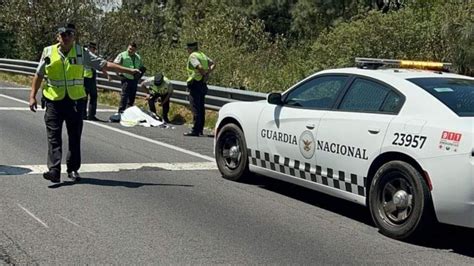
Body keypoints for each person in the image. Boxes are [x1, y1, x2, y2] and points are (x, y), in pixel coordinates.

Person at [28, 23, 140, 183]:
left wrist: (129, 71)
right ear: (57, 37)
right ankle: (54, 170)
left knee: (74, 136)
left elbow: (104, 64)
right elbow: (39, 74)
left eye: (69, 34)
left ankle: (73, 169)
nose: (66, 37)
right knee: (53, 136)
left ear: (74, 37)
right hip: (54, 101)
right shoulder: (48, 51)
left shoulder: (82, 52)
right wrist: (32, 96)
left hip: (75, 101)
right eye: (63, 35)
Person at [184, 41, 215, 137]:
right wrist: (207, 73)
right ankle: (200, 129)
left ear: (191, 48)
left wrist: (204, 73)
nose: (187, 50)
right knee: (201, 107)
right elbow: (213, 64)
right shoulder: (202, 55)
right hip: (202, 84)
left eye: (188, 48)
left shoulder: (193, 56)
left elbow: (199, 67)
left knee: (195, 107)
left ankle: (195, 130)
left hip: (195, 83)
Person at [83, 42, 110, 121]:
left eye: (95, 49)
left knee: (93, 97)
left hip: (91, 79)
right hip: (85, 78)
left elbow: (100, 67)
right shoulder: (85, 56)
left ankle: (91, 115)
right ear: (89, 48)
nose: (94, 50)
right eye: (93, 48)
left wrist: (107, 75)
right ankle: (83, 114)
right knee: (84, 98)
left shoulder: (94, 57)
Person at [113, 42, 144, 113]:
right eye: (129, 49)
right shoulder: (122, 55)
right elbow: (115, 65)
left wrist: (139, 75)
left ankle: (128, 112)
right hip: (125, 77)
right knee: (124, 95)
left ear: (135, 50)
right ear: (128, 47)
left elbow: (141, 67)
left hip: (134, 79)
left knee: (132, 96)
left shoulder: (138, 57)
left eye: (133, 50)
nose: (130, 51)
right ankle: (121, 111)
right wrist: (118, 75)